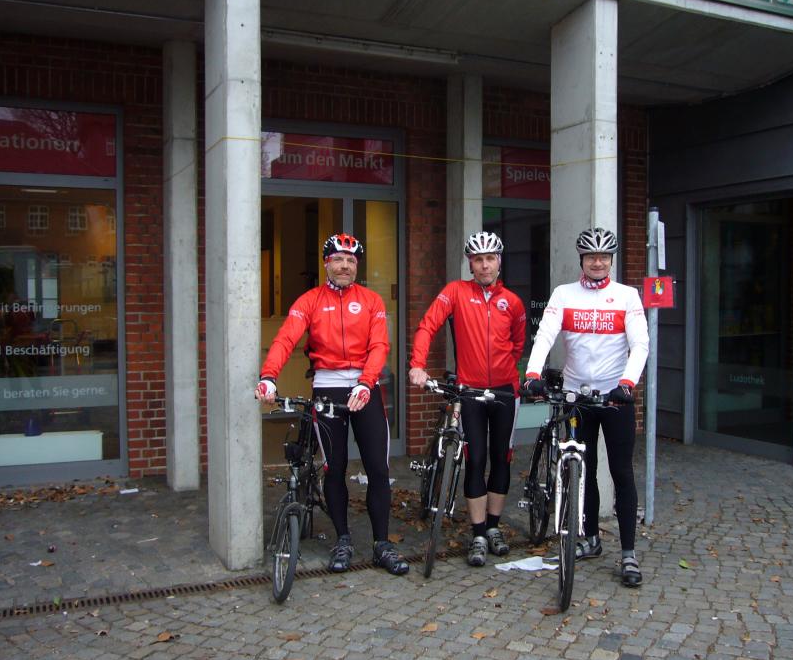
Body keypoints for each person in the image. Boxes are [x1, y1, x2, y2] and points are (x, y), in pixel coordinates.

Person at [255, 233, 409, 576]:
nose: (344, 266)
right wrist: (269, 376)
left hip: (365, 389)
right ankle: (343, 539)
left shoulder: (371, 300)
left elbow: (380, 345)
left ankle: (382, 543)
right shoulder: (310, 300)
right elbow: (285, 338)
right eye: (338, 259)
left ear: (357, 267)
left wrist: (367, 382)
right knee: (334, 468)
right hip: (327, 387)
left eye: (351, 261)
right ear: (326, 263)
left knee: (378, 469)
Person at [521, 226, 649, 587]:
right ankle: (589, 537)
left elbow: (640, 344)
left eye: (604, 257)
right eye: (591, 256)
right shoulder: (564, 294)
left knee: (622, 472)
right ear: (582, 260)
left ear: (610, 261)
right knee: (585, 468)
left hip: (614, 396)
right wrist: (532, 373)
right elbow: (545, 334)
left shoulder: (627, 296)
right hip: (577, 396)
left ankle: (628, 553)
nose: (597, 262)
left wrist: (627, 383)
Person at [409, 231, 526, 567]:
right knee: (476, 459)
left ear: (499, 262)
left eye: (490, 258)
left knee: (501, 458)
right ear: (470, 263)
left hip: (505, 390)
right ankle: (476, 533)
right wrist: (417, 365)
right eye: (478, 259)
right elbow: (427, 325)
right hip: (470, 390)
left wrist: (505, 369)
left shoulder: (513, 302)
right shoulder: (455, 292)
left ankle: (493, 528)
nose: (485, 265)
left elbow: (517, 345)